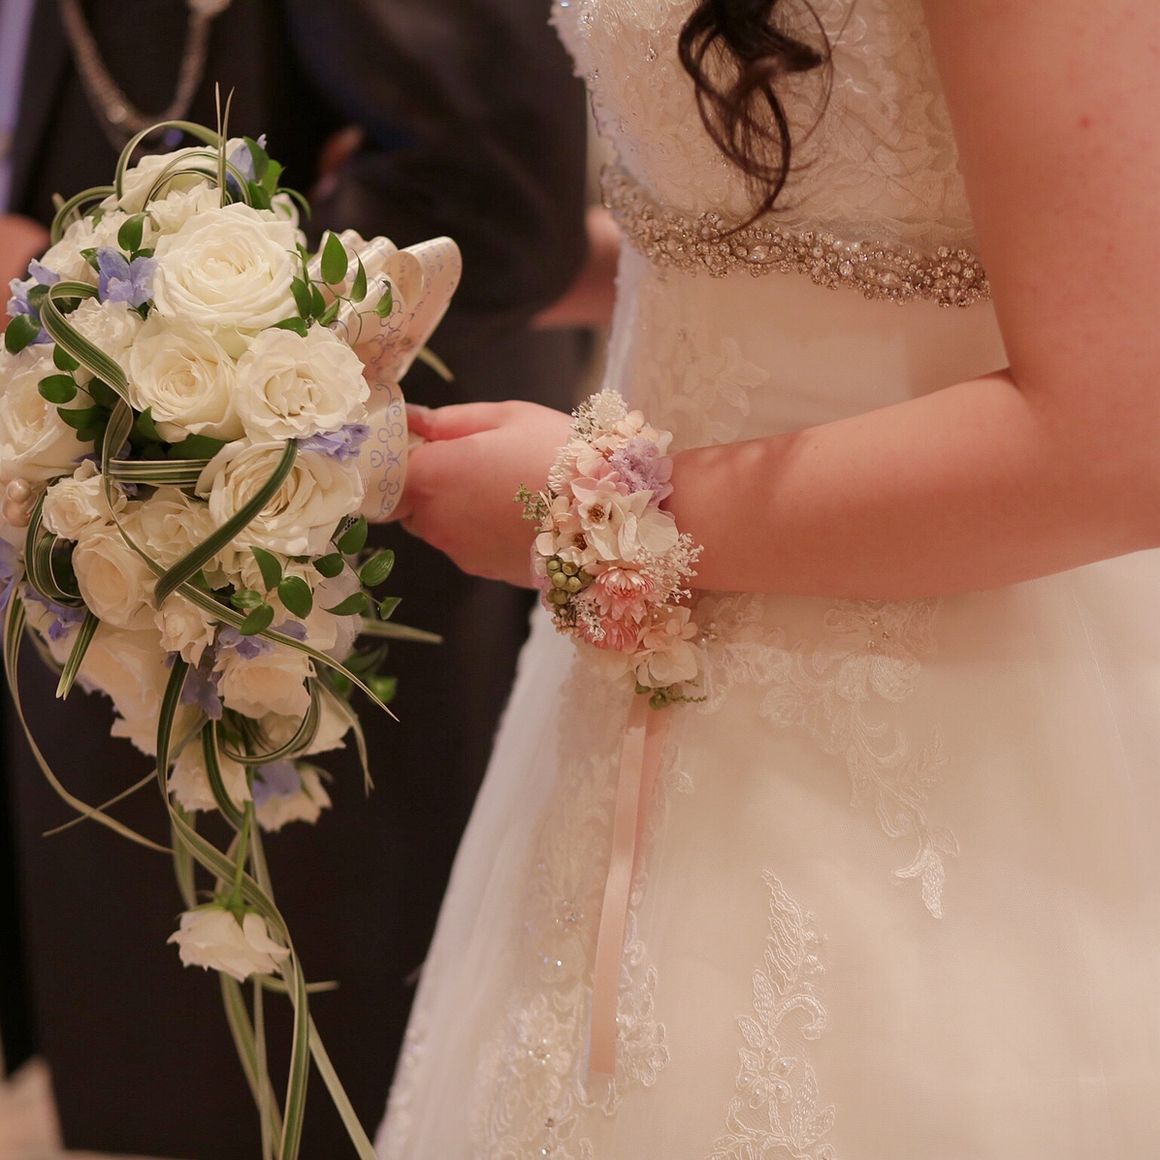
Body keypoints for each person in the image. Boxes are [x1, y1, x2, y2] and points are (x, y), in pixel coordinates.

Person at [375, 0, 1160, 1155]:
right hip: (618, 686)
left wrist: (600, 512)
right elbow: (797, 233)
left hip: (954, 690)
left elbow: (1118, 441)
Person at [1, 1, 588, 1154]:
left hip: (296, 570)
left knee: (290, 1091)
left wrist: (71, 298)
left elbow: (490, 195)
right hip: (116, 548)